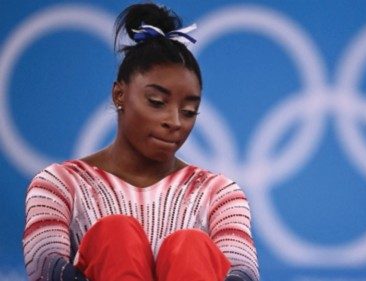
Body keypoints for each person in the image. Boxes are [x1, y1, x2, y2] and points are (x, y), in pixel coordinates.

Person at [22, 3, 259, 281]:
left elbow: (244, 270)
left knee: (189, 247)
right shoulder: (59, 184)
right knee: (115, 235)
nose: (175, 121)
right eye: (157, 102)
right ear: (119, 95)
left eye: (189, 111)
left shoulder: (218, 193)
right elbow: (43, 264)